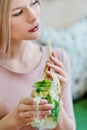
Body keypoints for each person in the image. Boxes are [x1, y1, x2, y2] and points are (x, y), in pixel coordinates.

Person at [0, 0, 76, 130]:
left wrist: (57, 99)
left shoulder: (57, 58)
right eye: (18, 12)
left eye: (34, 2)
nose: (34, 16)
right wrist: (14, 120)